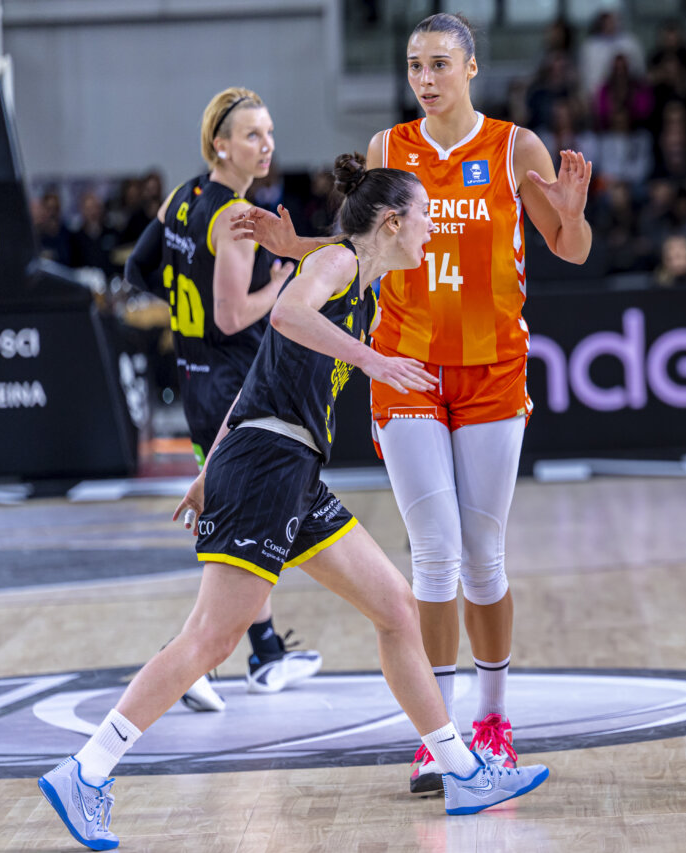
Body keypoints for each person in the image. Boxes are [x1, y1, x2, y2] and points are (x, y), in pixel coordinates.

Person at [37, 156, 551, 851]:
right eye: (426, 218)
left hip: (286, 467)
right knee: (211, 639)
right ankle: (86, 772)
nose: (432, 231)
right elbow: (285, 313)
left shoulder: (354, 278)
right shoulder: (338, 265)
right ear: (394, 223)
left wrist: (210, 464)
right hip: (271, 464)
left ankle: (461, 771)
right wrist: (371, 363)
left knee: (398, 608)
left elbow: (260, 368)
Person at [231, 13, 593, 794]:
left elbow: (571, 248)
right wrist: (296, 251)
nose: (423, 78)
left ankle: (494, 718)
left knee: (483, 554)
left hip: (494, 370)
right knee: (433, 553)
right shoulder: (387, 150)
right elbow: (359, 244)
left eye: (438, 64)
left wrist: (571, 211)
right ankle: (442, 732)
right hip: (404, 368)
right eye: (413, 65)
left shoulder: (512, 146)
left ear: (470, 68)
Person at [122, 88, 321, 711]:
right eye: (253, 136)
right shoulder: (234, 218)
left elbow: (138, 268)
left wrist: (186, 305)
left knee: (247, 522)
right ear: (221, 145)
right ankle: (196, 661)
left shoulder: (181, 196)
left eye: (269, 133)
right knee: (244, 527)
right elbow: (235, 317)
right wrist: (283, 286)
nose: (267, 146)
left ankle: (263, 651)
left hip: (195, 380)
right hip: (238, 386)